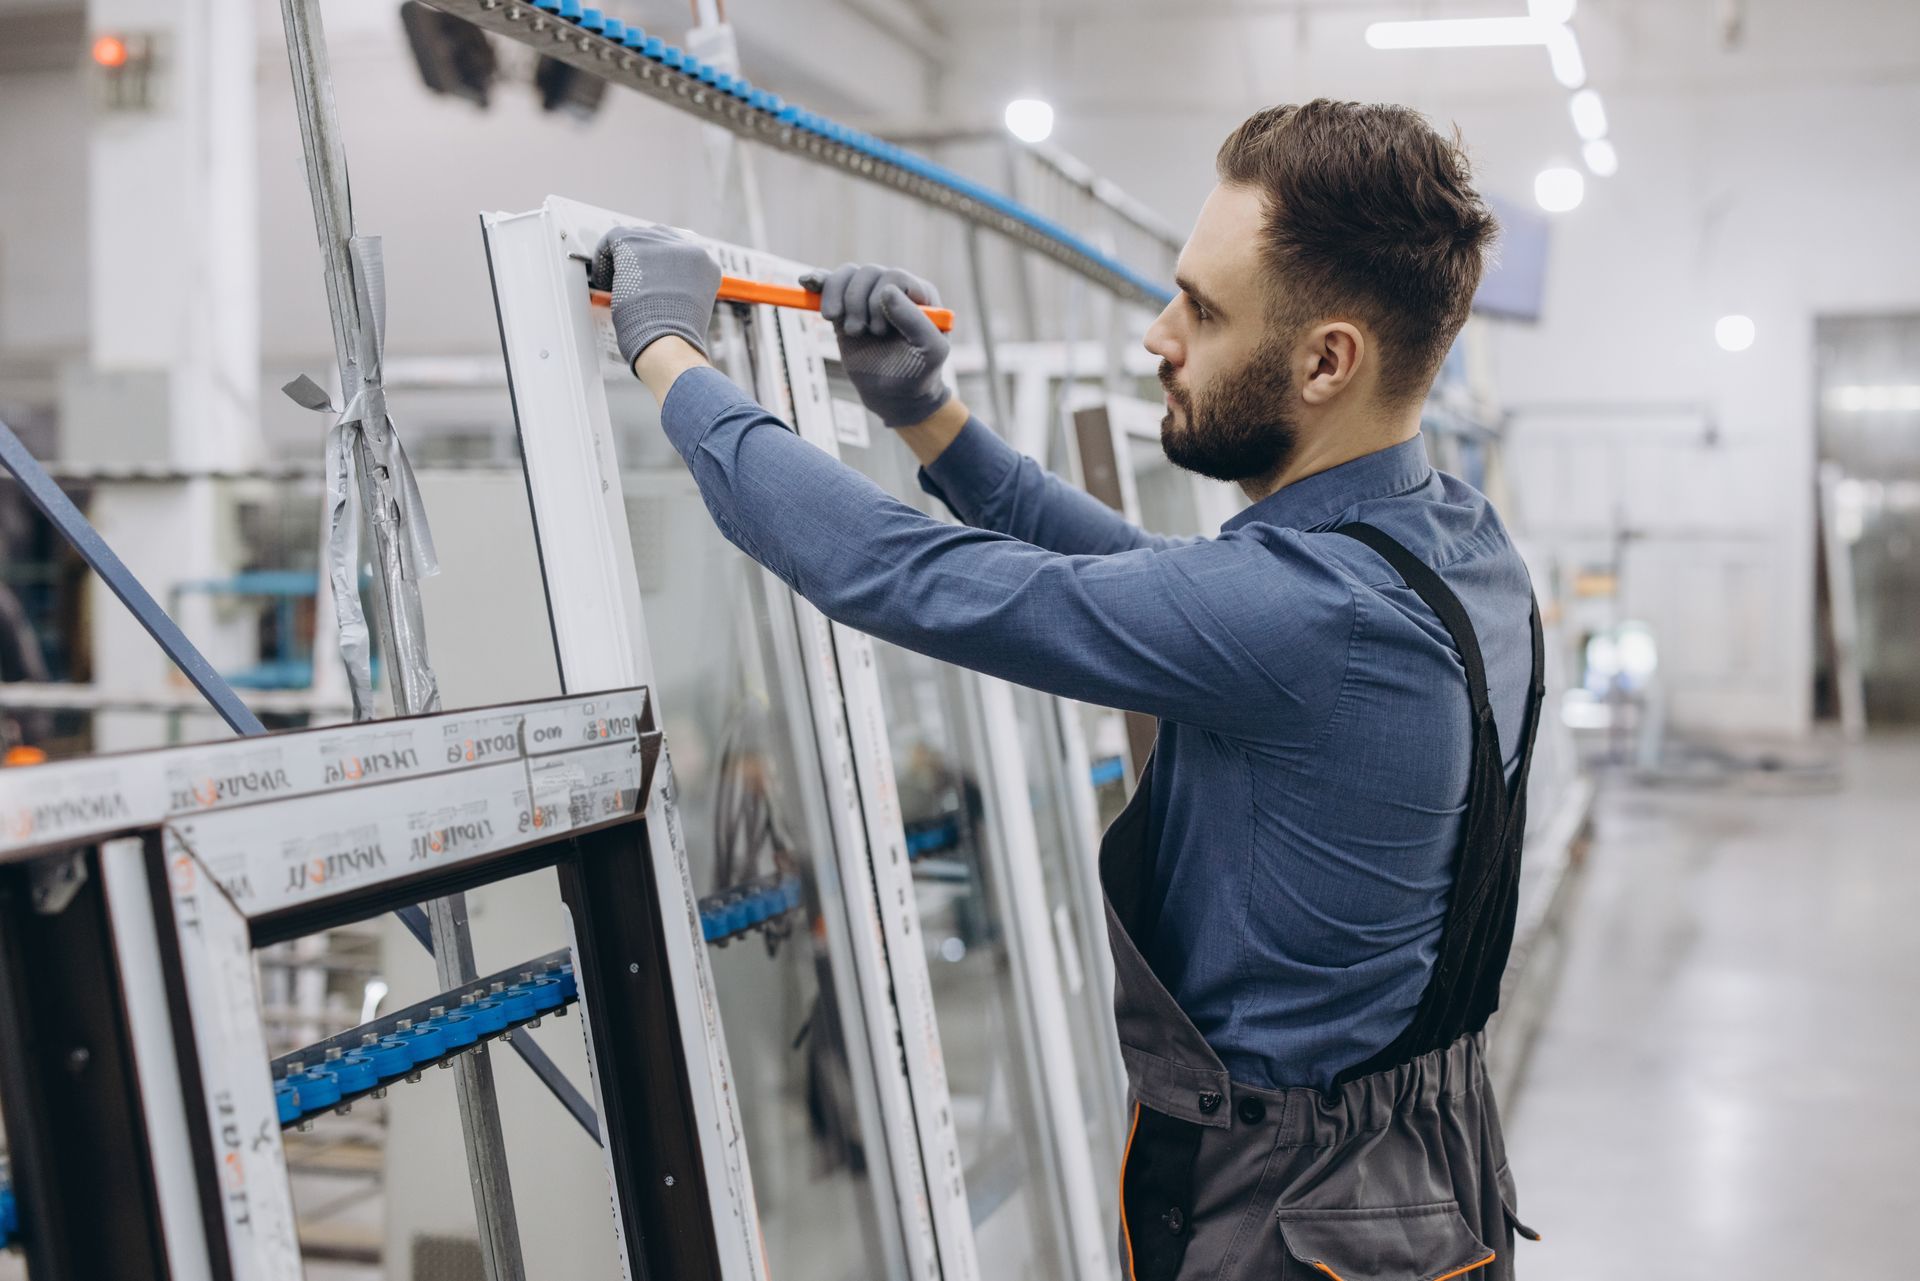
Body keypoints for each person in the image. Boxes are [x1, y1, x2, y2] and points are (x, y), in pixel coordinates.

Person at [592, 98, 1544, 1280]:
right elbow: (1150, 581)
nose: (1159, 336)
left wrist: (670, 357)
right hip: (1417, 1167)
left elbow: (892, 573)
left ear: (1326, 360)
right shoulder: (1453, 540)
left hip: (1292, 1214)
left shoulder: (1315, 616)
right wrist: (930, 418)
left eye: (1201, 309)